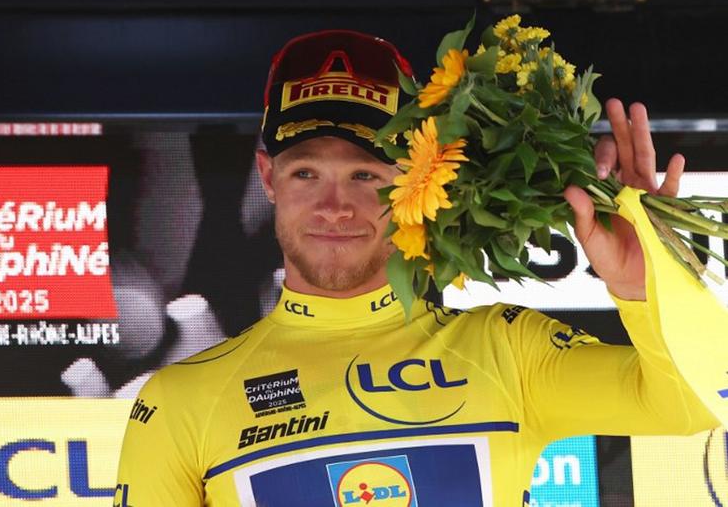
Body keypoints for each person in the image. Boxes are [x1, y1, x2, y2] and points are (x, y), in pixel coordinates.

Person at [114, 29, 718, 506]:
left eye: (364, 174)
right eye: (306, 173)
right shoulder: (181, 401)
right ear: (268, 178)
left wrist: (647, 285)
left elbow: (697, 405)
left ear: (413, 178)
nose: (334, 207)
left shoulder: (504, 350)